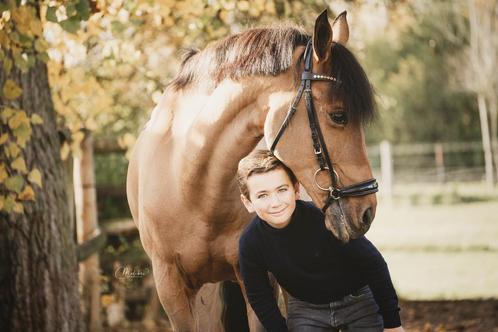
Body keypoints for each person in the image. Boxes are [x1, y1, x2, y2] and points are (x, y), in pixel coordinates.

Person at [237, 150, 405, 332]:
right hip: (306, 308)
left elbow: (373, 262)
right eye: (263, 195)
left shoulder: (324, 218)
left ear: (296, 190)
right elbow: (259, 295)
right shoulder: (251, 242)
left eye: (282, 190)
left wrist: (392, 323)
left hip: (357, 300)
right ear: (248, 203)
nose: (275, 202)